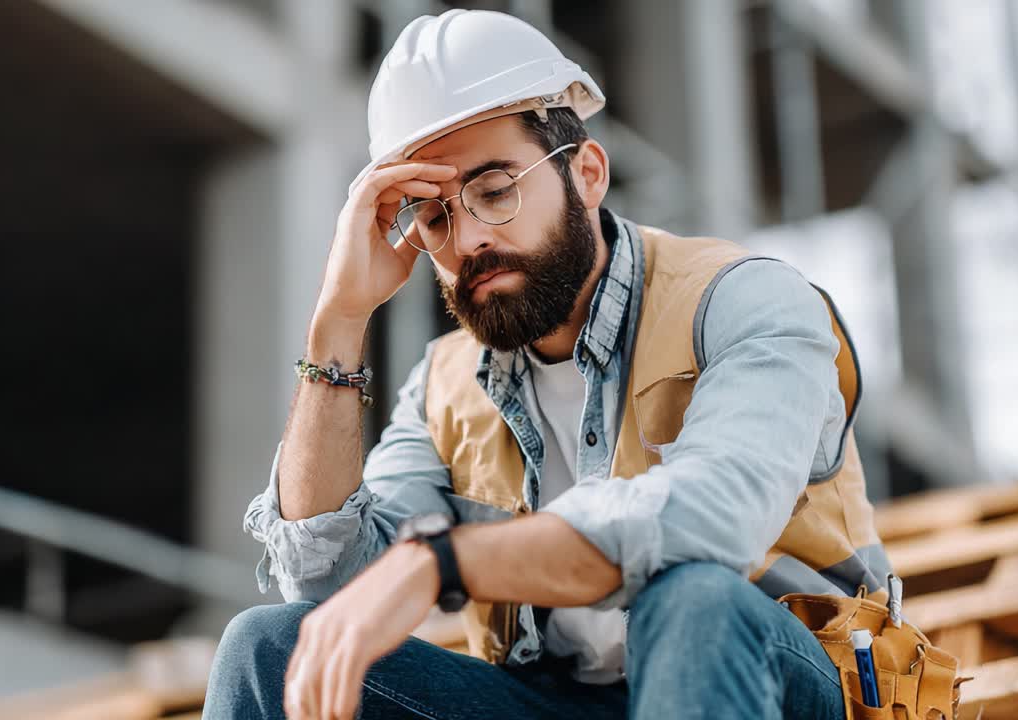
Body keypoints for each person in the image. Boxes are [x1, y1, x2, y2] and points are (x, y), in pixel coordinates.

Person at [204, 9, 890, 720]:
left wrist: (444, 562)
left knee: (694, 598)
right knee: (267, 649)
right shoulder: (444, 384)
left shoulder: (746, 299)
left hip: (778, 681)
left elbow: (714, 520)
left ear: (587, 173)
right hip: (563, 702)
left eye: (495, 190)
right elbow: (326, 590)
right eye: (434, 216)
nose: (467, 237)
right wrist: (339, 322)